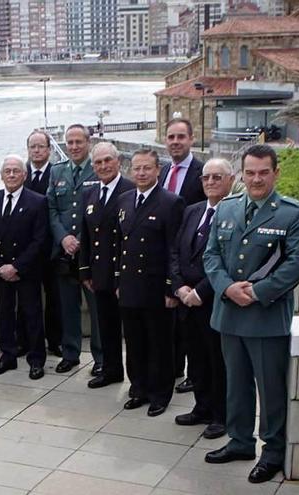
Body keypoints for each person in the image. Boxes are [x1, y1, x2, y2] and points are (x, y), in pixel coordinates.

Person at [203, 144, 299, 484]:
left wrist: (258, 292)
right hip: (230, 313)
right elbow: (211, 256)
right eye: (250, 172)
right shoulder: (228, 208)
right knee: (236, 384)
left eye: (264, 172)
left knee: (271, 389)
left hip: (265, 317)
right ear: (242, 174)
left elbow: (297, 263)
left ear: (276, 173)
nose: (256, 179)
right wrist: (226, 288)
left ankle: (273, 451)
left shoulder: (292, 213)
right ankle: (240, 441)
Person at [115, 149, 185, 416]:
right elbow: (121, 245)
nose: (141, 173)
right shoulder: (124, 200)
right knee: (134, 342)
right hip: (131, 284)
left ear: (158, 170)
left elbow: (173, 249)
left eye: (147, 168)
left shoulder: (171, 202)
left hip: (157, 287)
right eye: (137, 168)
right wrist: (119, 280)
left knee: (159, 344)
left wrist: (171, 287)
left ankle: (160, 393)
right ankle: (138, 388)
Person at [169, 158, 235, 439]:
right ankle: (201, 407)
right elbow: (175, 251)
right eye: (206, 177)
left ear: (231, 180)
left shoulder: (235, 213)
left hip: (213, 301)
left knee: (217, 361)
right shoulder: (193, 210)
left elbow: (229, 262)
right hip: (186, 301)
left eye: (217, 177)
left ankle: (221, 415)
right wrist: (179, 287)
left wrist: (200, 291)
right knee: (195, 359)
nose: (210, 182)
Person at [0, 155, 49, 379]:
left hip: (26, 270)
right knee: (4, 314)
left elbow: (40, 240)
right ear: (1, 175)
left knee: (32, 314)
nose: (11, 175)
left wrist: (16, 267)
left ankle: (36, 359)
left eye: (16, 171)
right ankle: (7, 356)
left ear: (24, 175)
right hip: (0, 271)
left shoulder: (37, 201)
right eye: (7, 171)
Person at [77, 143, 134, 389]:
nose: (103, 166)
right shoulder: (90, 193)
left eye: (107, 160)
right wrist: (85, 270)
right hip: (100, 273)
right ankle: (111, 370)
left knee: (132, 332)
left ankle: (138, 379)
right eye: (98, 163)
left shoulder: (131, 190)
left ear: (118, 161)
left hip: (126, 274)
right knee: (106, 326)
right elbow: (87, 235)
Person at [47, 124, 101, 375]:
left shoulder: (98, 169)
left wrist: (79, 238)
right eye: (70, 142)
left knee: (97, 310)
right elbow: (51, 209)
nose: (74, 147)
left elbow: (101, 209)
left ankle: (101, 358)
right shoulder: (57, 171)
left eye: (79, 142)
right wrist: (63, 238)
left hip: (90, 254)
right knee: (68, 307)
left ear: (88, 143)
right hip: (64, 254)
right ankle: (70, 353)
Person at [159, 118, 206, 394]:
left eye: (180, 137)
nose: (175, 142)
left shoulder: (202, 173)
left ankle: (193, 373)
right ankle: (175, 367)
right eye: (171, 137)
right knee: (170, 320)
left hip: (191, 256)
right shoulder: (164, 171)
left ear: (191, 139)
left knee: (189, 323)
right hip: (165, 254)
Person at [21, 129, 62, 358]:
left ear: (49, 150)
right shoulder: (20, 173)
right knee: (26, 300)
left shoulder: (57, 174)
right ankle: (25, 340)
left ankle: (54, 341)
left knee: (54, 297)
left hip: (50, 250)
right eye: (32, 147)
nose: (36, 151)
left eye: (41, 146)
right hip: (26, 250)